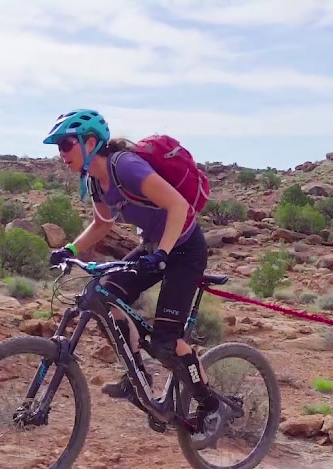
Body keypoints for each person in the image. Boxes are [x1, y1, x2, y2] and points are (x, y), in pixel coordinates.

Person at [40, 108, 218, 426]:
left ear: (90, 141)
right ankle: (136, 379)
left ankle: (208, 402)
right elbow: (101, 224)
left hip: (184, 248)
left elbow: (177, 205)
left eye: (66, 144)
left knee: (167, 340)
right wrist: (68, 250)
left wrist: (163, 252)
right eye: (59, 147)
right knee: (103, 293)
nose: (61, 153)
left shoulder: (126, 167)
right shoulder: (95, 181)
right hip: (154, 249)